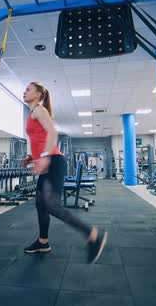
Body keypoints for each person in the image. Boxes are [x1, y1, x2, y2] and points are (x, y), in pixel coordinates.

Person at [20, 81, 107, 263]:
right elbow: (41, 137)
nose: (24, 91)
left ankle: (93, 234)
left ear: (38, 95)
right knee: (40, 204)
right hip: (48, 161)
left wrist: (44, 155)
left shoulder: (38, 109)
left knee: (52, 205)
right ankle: (43, 242)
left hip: (53, 161)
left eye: (28, 89)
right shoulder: (33, 112)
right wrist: (32, 156)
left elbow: (53, 132)